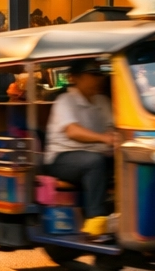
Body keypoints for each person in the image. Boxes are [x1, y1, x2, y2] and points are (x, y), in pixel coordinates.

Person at [43, 59, 119, 240]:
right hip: (61, 158)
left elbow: (112, 127)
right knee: (93, 163)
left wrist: (114, 137)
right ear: (75, 78)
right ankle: (95, 221)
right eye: (92, 75)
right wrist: (103, 138)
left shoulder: (102, 100)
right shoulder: (65, 101)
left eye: (99, 74)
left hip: (96, 154)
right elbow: (72, 131)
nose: (98, 79)